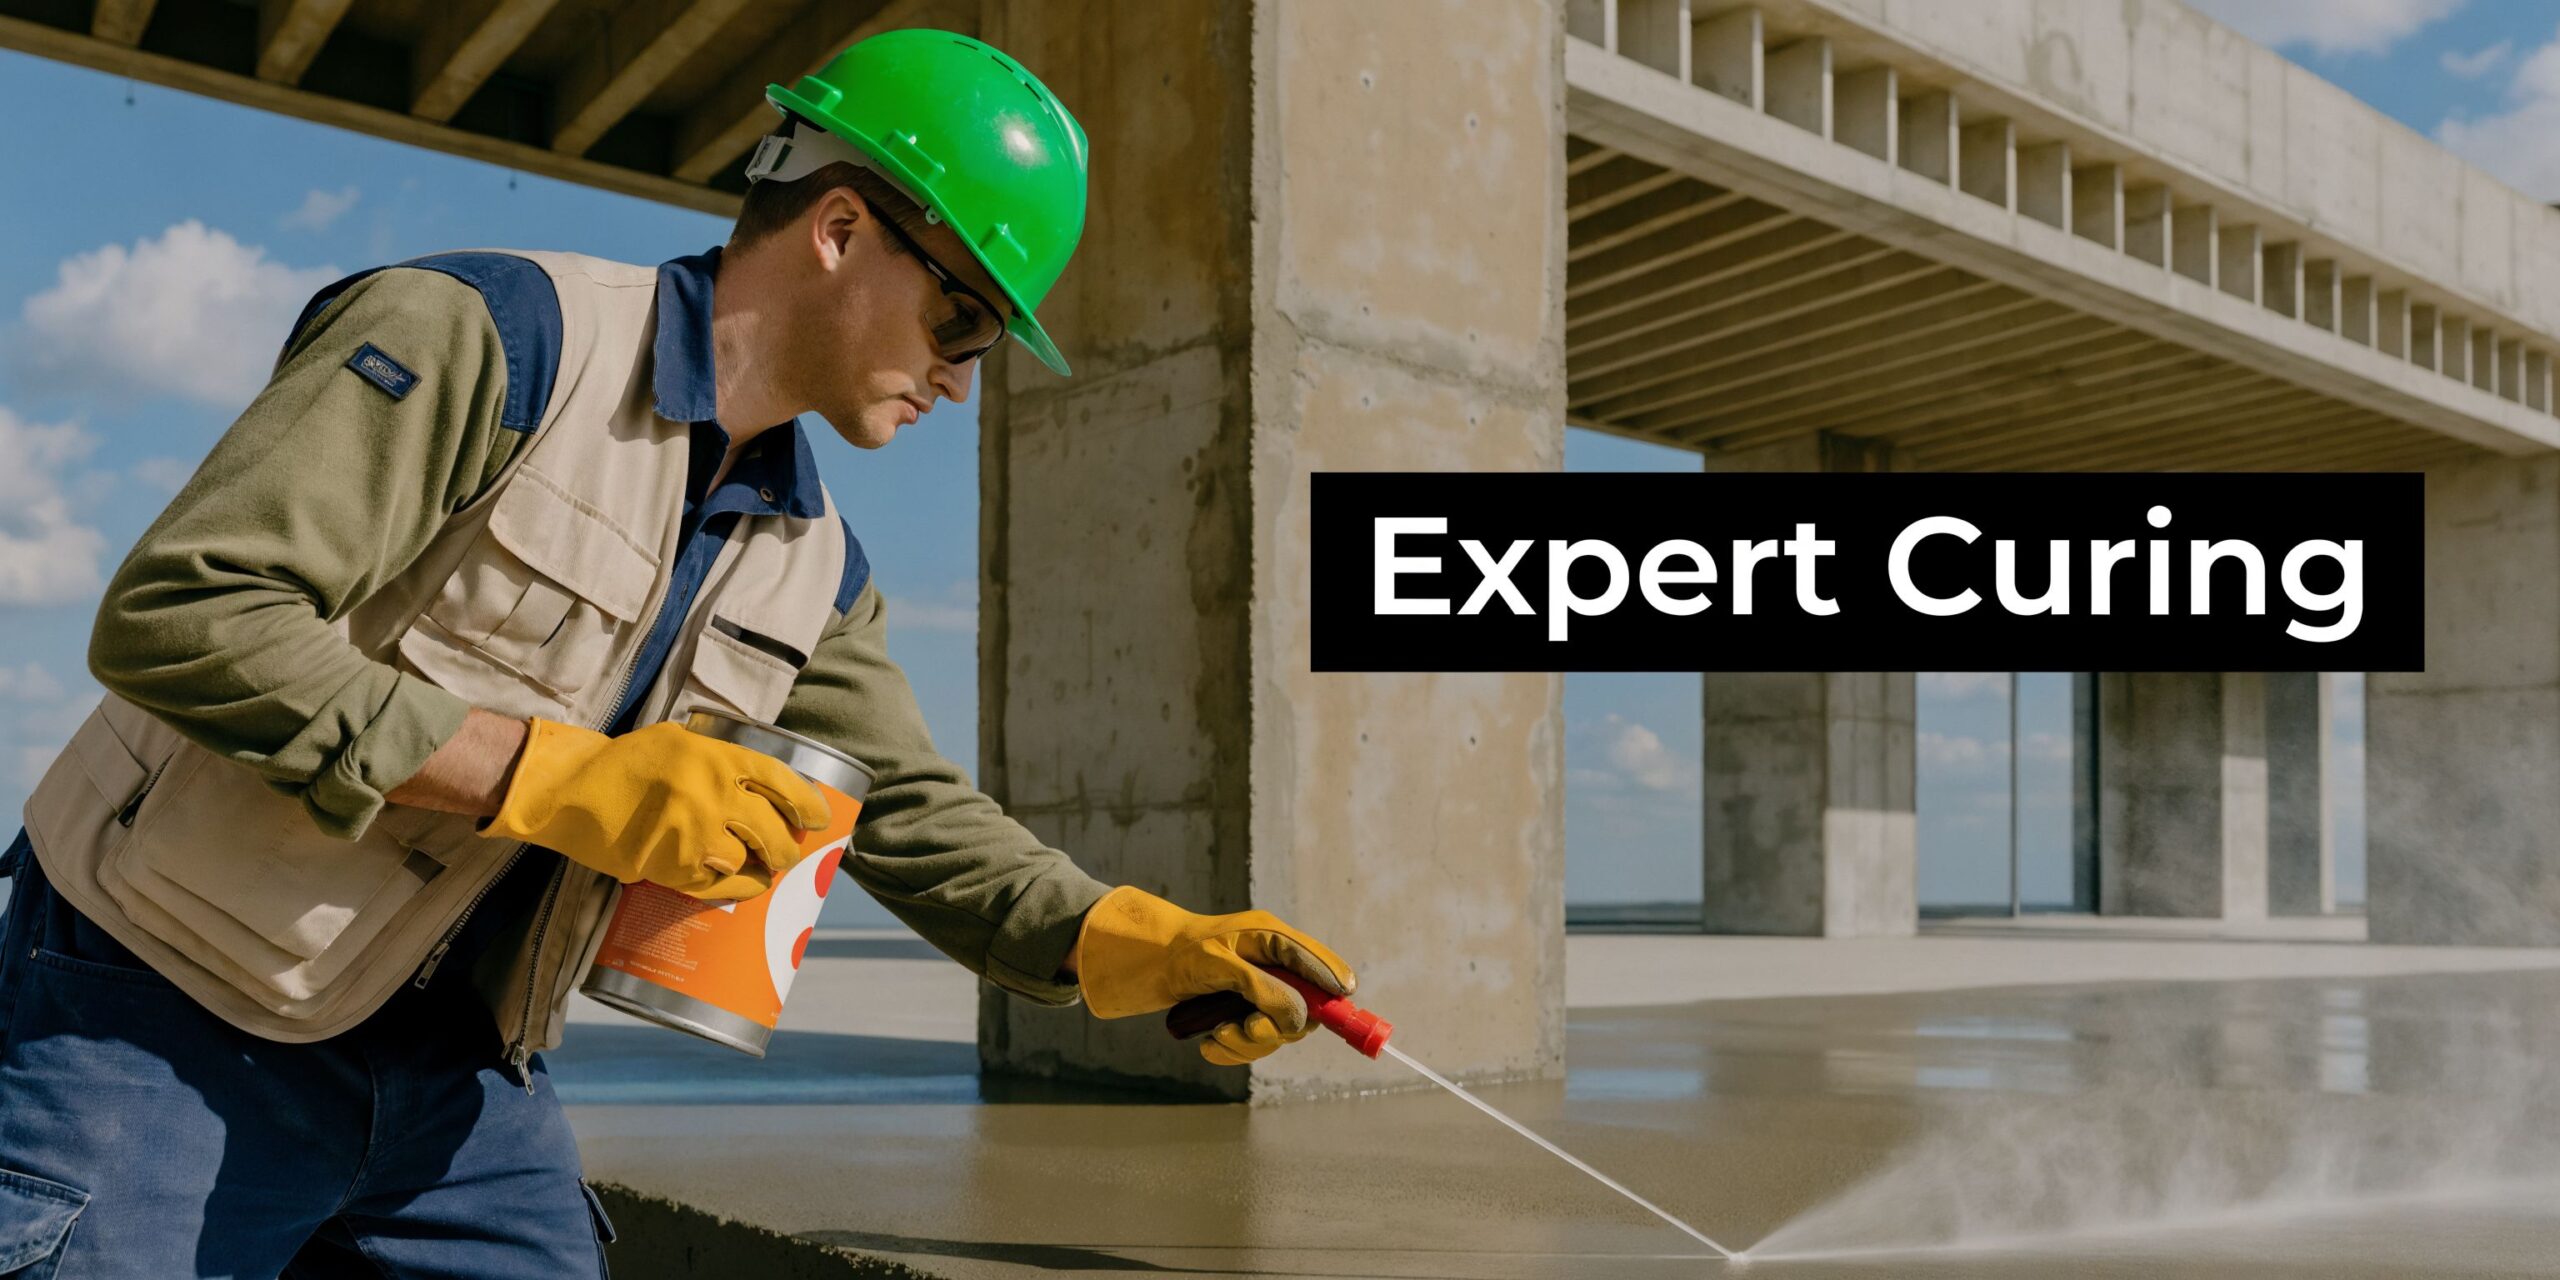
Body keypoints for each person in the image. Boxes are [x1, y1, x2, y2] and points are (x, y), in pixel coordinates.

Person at [0, 28, 1353, 1278]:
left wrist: (1120, 939)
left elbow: (908, 811)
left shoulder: (818, 567)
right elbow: (185, 615)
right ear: (840, 229)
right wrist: (546, 776)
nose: (963, 377)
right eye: (967, 320)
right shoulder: (489, 339)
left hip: (460, 1076)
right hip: (154, 1013)